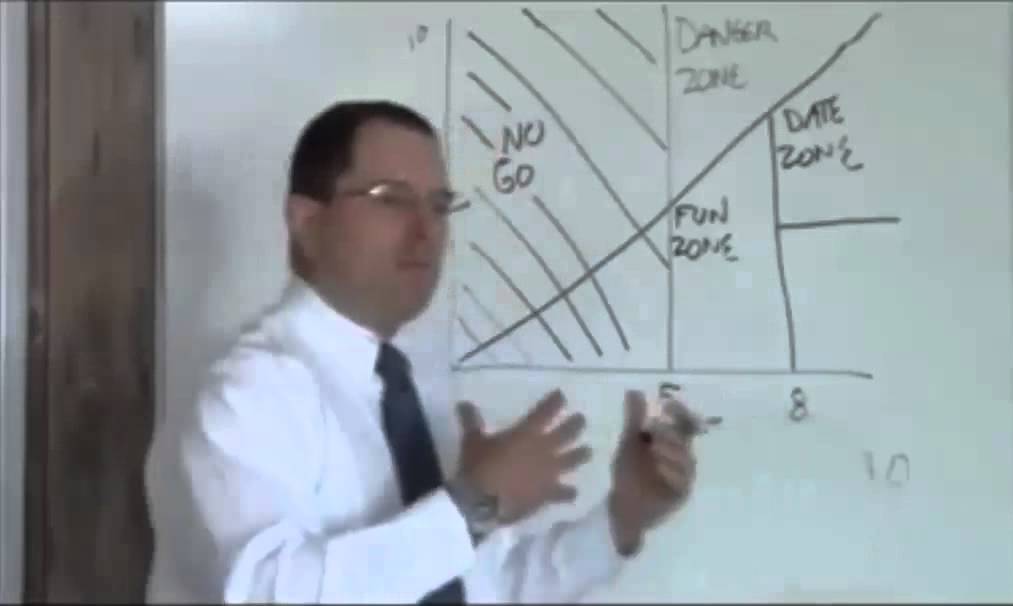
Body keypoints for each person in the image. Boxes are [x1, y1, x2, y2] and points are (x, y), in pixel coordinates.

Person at [144, 100, 700, 603]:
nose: (426, 232)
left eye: (439, 206)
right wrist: (473, 504)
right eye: (391, 200)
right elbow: (266, 592)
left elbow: (474, 589)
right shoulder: (250, 391)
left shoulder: (412, 391)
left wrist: (622, 519)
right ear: (307, 222)